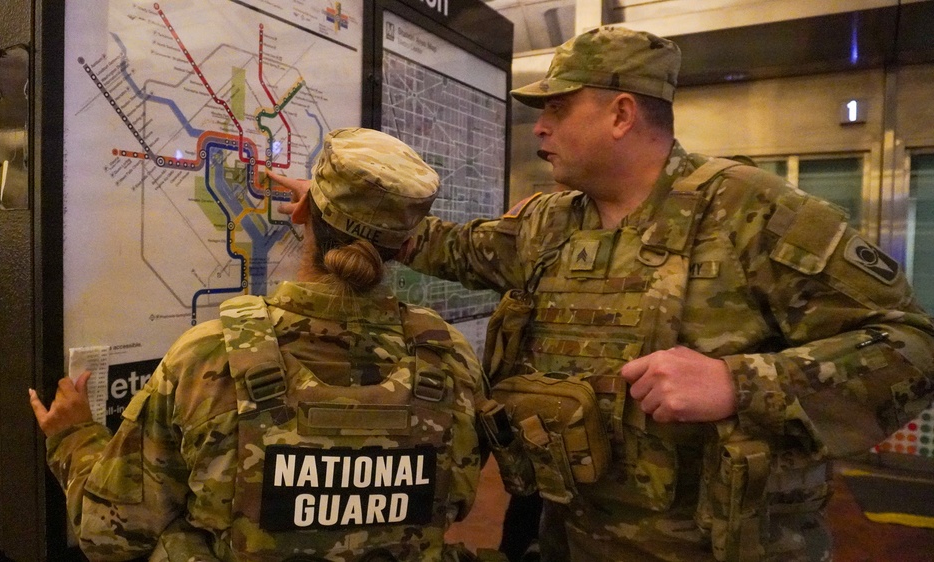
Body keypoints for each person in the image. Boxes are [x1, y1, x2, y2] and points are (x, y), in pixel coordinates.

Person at [276, 27, 934, 562]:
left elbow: (910, 350)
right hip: (565, 536)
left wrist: (740, 382)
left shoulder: (754, 215)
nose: (539, 128)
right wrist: (335, 207)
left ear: (620, 113)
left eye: (557, 109)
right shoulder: (550, 223)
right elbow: (439, 245)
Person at [31, 127, 489, 562]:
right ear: (407, 245)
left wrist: (74, 437)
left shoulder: (209, 355)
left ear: (304, 211)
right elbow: (458, 497)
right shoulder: (450, 359)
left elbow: (109, 534)